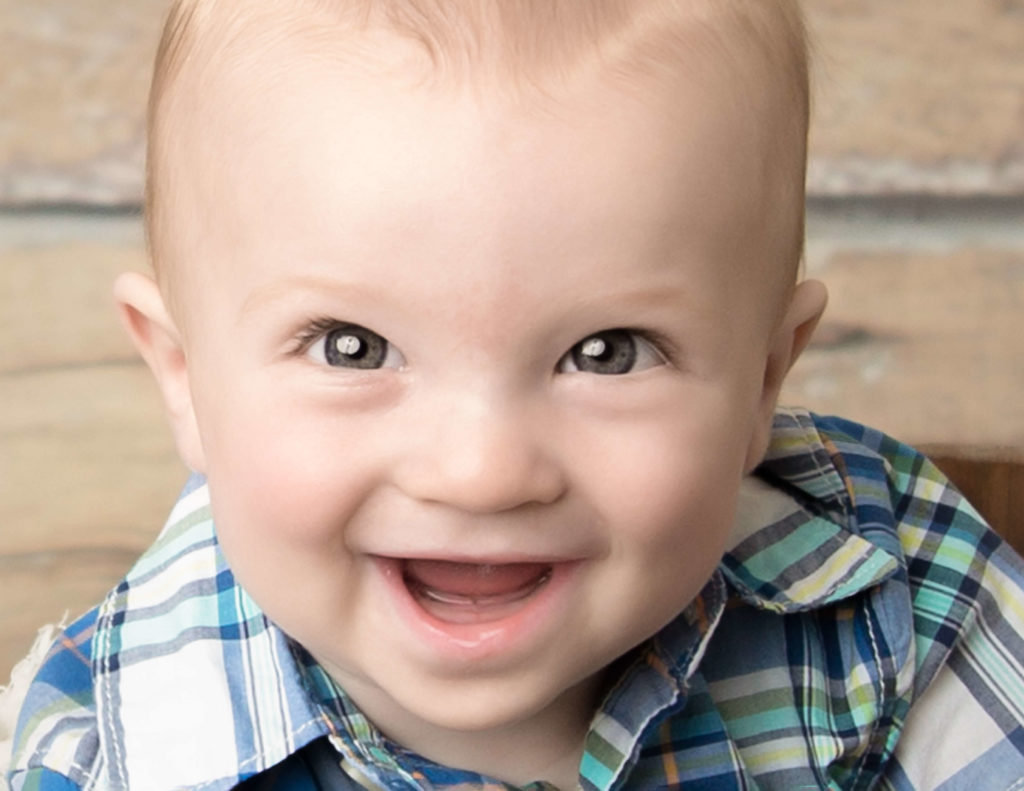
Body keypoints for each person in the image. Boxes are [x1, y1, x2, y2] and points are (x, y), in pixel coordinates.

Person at [6, 1, 1024, 788]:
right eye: (354, 347)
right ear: (183, 376)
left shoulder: (896, 595)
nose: (482, 470)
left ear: (766, 374)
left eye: (607, 351)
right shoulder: (103, 746)